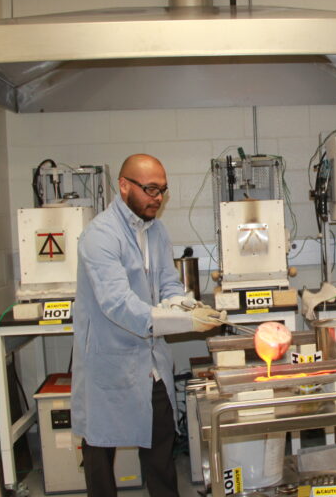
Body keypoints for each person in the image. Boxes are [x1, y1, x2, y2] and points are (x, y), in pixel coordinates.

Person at [72, 154, 224, 497]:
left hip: (151, 362)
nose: (157, 198)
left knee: (160, 452)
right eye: (150, 189)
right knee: (99, 455)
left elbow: (168, 283)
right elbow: (117, 303)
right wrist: (179, 321)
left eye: (162, 191)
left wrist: (189, 306)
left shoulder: (155, 231)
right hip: (109, 366)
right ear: (124, 186)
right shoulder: (99, 236)